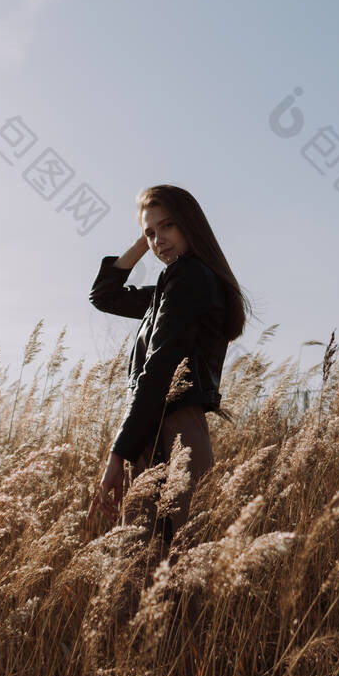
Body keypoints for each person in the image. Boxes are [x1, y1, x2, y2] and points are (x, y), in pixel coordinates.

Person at [87, 185, 253, 548]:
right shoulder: (172, 286)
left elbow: (159, 370)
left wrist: (118, 455)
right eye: (150, 232)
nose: (158, 240)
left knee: (155, 574)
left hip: (171, 431)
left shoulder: (190, 279)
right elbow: (104, 296)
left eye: (168, 227)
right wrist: (145, 240)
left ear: (190, 225)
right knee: (157, 575)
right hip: (161, 429)